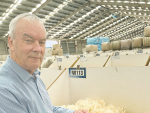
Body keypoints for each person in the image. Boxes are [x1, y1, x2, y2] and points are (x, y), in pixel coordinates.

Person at [0, 13, 88, 113]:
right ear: (11, 42)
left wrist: (71, 112)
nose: (38, 49)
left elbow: (47, 109)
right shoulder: (4, 91)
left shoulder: (34, 76)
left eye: (41, 42)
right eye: (28, 40)